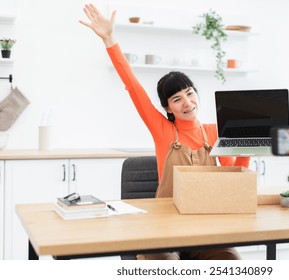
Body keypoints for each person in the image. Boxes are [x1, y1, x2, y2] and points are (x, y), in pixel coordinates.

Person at [80, 3, 250, 260]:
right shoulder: (162, 130)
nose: (187, 103)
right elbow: (132, 86)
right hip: (163, 226)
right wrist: (109, 40)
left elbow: (233, 180)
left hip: (204, 227)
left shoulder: (215, 132)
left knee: (230, 261)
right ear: (168, 108)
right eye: (177, 99)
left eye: (190, 94)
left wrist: (248, 148)